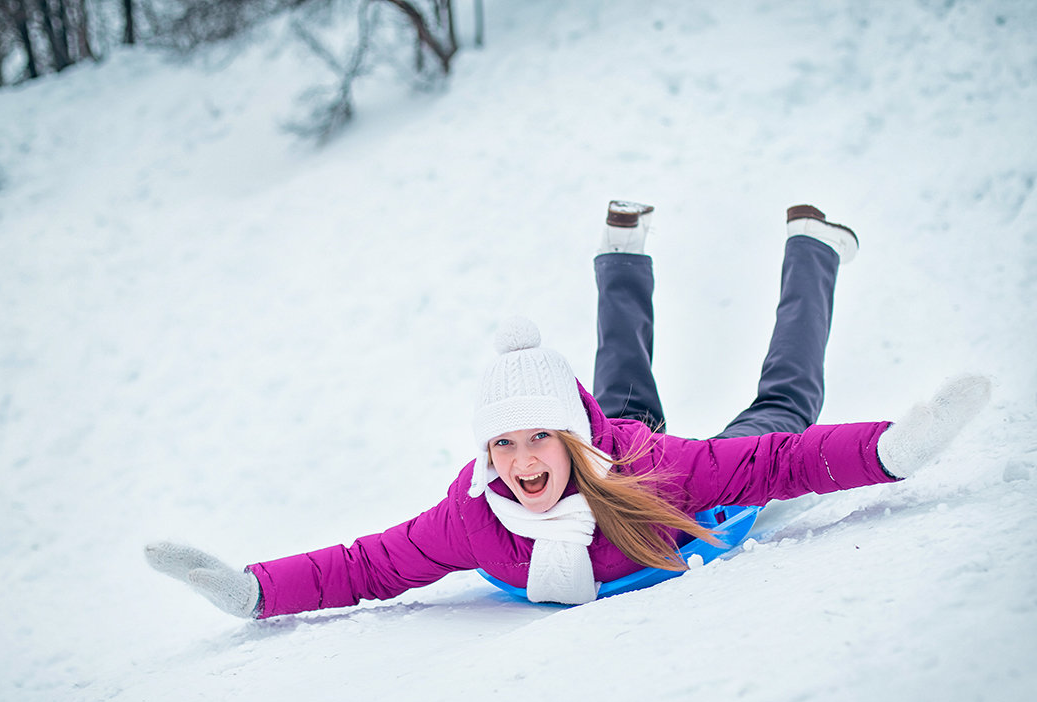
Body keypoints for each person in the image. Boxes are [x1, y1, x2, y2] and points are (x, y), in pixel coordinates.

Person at [145, 202, 990, 619]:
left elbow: (780, 465)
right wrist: (254, 591)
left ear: (568, 436)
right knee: (623, 384)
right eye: (502, 444)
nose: (519, 462)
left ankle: (816, 249)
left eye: (537, 437)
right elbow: (364, 565)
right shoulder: (475, 518)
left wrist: (892, 449)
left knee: (782, 407)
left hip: (641, 477)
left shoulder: (661, 471)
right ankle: (622, 256)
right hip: (606, 452)